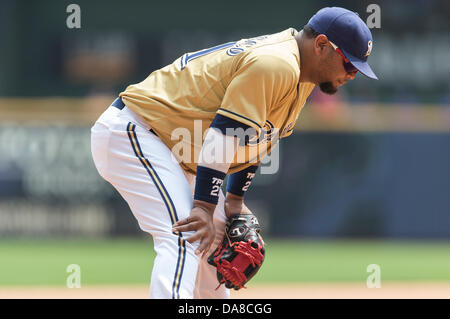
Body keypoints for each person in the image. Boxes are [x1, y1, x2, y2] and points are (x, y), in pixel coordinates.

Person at [90, 6, 378, 299]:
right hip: (135, 132)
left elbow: (253, 140)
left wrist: (234, 200)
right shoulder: (276, 64)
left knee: (211, 240)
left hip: (171, 148)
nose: (353, 75)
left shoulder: (301, 77)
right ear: (321, 45)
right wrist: (203, 207)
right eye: (349, 64)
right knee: (186, 234)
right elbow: (222, 135)